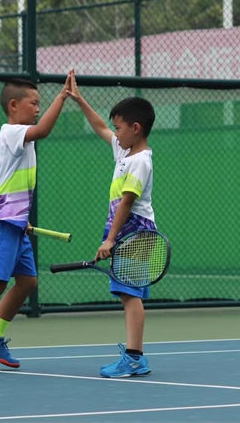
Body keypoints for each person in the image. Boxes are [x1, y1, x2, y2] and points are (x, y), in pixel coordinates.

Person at [0, 71, 74, 374]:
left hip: (15, 223)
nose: (37, 109)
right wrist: (62, 96)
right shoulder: (10, 132)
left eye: (40, 104)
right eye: (34, 103)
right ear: (13, 106)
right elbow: (43, 130)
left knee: (28, 282)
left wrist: (22, 218)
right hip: (0, 222)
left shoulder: (23, 139)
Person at [67, 78, 157, 378]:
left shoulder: (140, 161)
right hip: (126, 231)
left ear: (136, 128)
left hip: (136, 231)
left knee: (130, 294)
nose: (114, 133)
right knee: (127, 294)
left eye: (119, 128)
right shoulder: (124, 151)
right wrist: (80, 100)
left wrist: (110, 239)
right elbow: (100, 127)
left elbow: (127, 203)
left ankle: (134, 358)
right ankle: (135, 356)